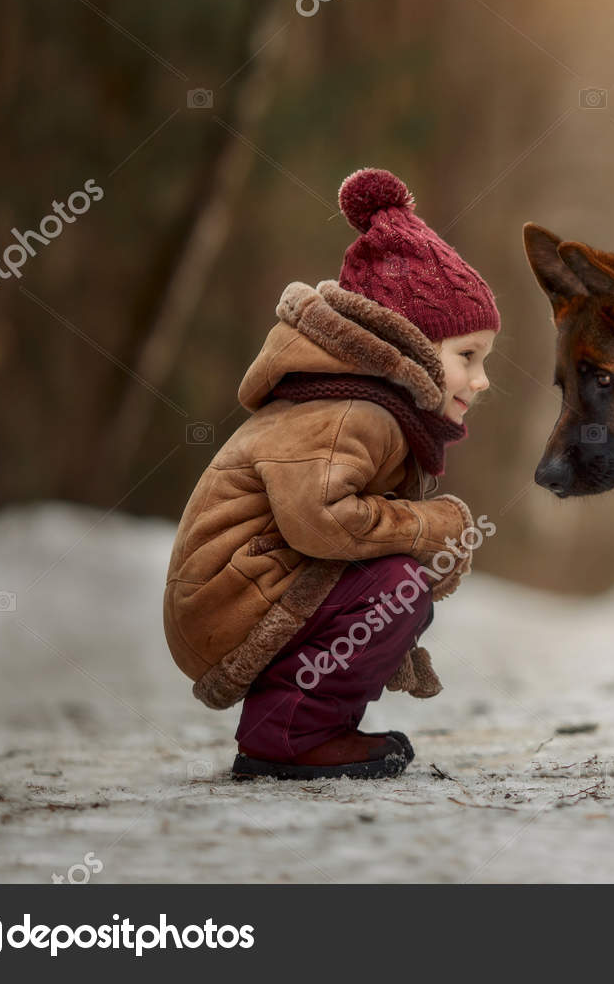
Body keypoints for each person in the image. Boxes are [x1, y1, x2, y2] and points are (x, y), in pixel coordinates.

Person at [163, 168, 497, 779]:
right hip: (230, 594)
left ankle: (311, 725)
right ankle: (289, 735)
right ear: (413, 344)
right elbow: (322, 520)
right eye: (467, 357)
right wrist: (426, 526)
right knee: (397, 586)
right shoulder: (351, 413)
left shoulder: (363, 404)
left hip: (246, 586)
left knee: (399, 586)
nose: (481, 380)